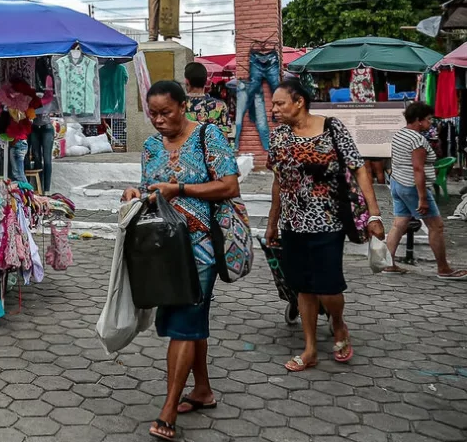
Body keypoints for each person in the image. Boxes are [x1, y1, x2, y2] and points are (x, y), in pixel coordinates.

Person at [121, 80, 240, 441]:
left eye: (165, 113)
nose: (158, 120)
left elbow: (230, 185)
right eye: (153, 113)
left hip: (201, 246)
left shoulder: (209, 135)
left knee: (184, 323)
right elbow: (150, 188)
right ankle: (202, 390)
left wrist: (182, 190)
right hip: (164, 249)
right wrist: (136, 193)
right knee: (191, 319)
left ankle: (169, 410)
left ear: (182, 107)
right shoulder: (150, 145)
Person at [267, 78, 385, 373]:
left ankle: (338, 321)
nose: (275, 109)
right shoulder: (279, 136)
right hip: (293, 223)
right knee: (304, 288)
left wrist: (374, 214)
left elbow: (359, 169)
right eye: (273, 105)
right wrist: (272, 222)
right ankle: (310, 349)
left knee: (329, 287)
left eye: (280, 103)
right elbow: (278, 181)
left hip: (329, 222)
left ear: (299, 102)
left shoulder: (332, 128)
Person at [385, 102, 466, 278]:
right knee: (436, 226)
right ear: (418, 121)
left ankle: (388, 263)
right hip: (412, 186)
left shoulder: (400, 134)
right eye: (428, 120)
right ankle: (443, 268)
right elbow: (418, 169)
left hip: (398, 183)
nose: (431, 123)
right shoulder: (416, 140)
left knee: (400, 223)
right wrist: (422, 197)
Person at [183, 62, 230, 135]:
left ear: (187, 81)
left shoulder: (177, 104)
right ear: (205, 82)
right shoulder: (220, 105)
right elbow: (224, 139)